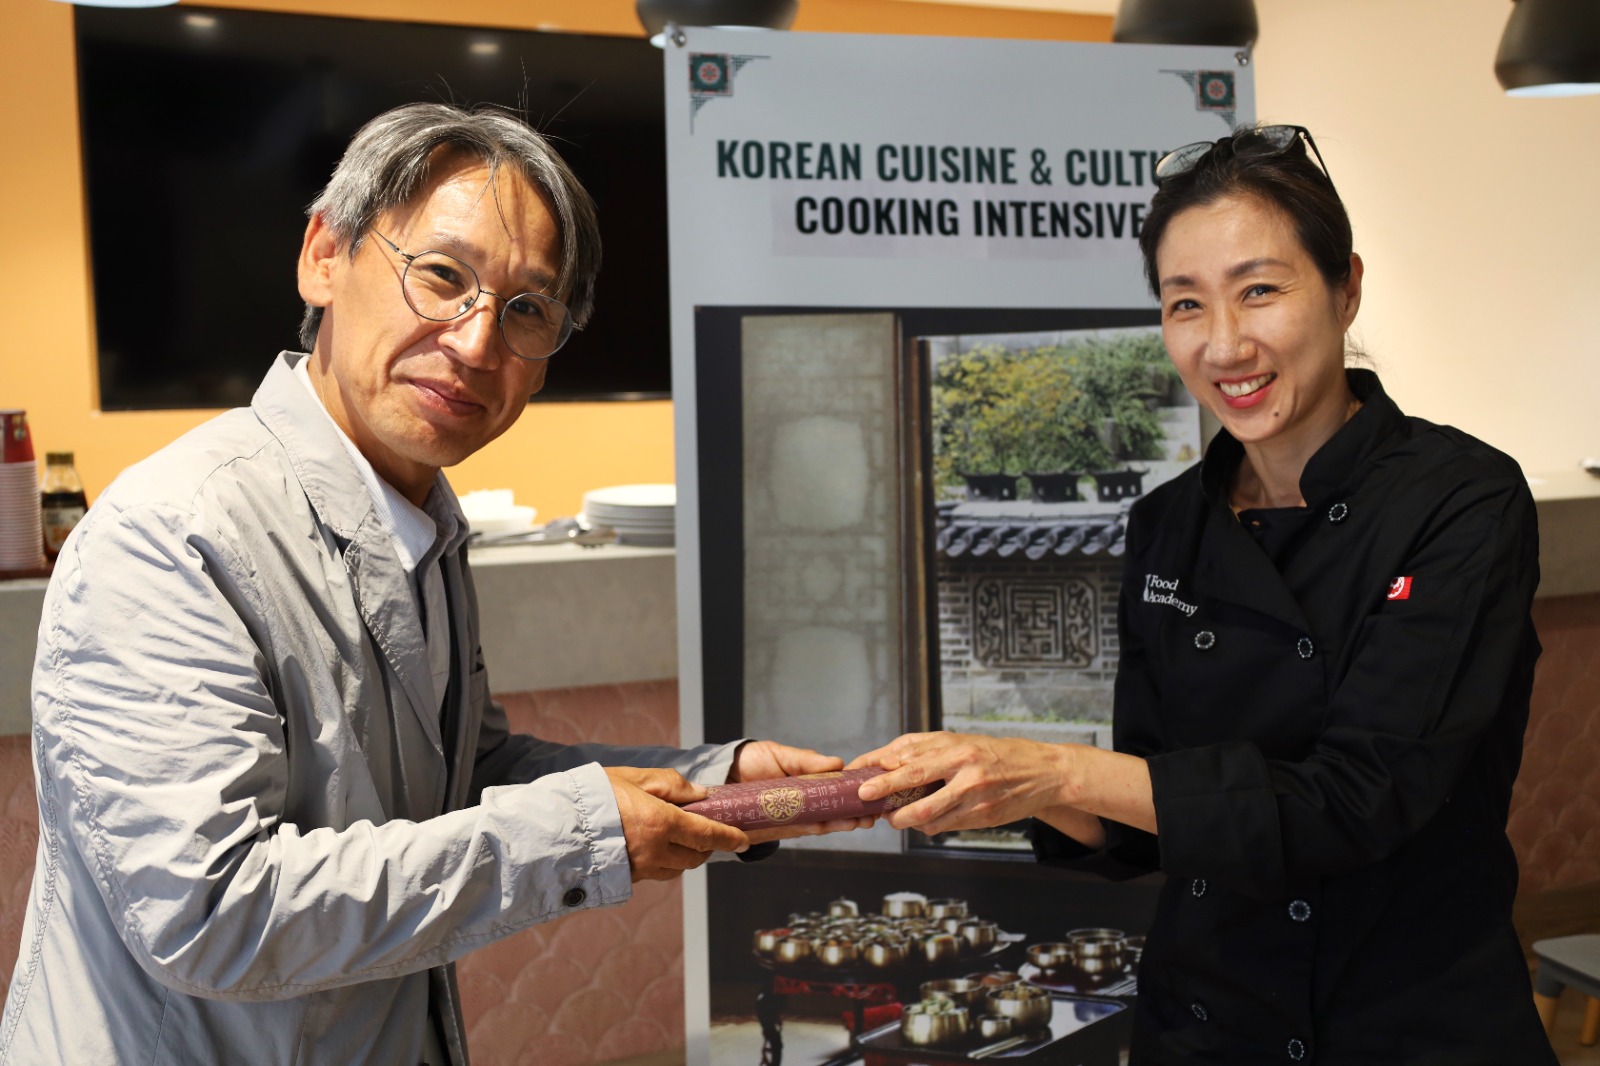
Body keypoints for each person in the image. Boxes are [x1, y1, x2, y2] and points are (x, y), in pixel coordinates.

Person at [0, 102, 866, 1065]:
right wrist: (578, 837)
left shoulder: (420, 522)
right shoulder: (174, 533)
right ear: (324, 256)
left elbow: (466, 777)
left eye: (528, 309)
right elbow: (211, 912)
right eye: (444, 277)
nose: (477, 342)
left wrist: (712, 782)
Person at [851, 125, 1555, 1064]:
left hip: (1412, 1015)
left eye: (1260, 290)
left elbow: (1357, 799)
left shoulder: (1461, 500)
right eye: (1186, 304)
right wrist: (997, 786)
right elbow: (1153, 805)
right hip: (1210, 1017)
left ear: (1346, 288)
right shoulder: (1168, 523)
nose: (1225, 343)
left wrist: (1054, 769)